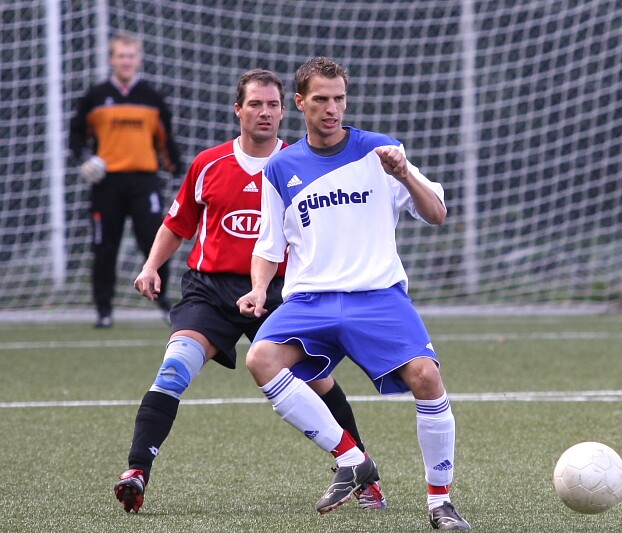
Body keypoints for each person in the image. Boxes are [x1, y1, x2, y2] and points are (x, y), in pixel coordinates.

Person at [113, 69, 387, 513]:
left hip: (280, 292)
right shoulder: (209, 164)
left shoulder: (300, 163)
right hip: (210, 290)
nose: (265, 113)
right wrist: (150, 266)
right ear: (238, 110)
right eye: (255, 104)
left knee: (316, 379)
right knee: (174, 369)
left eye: (272, 105)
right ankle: (137, 471)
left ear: (286, 109)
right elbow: (178, 224)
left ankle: (361, 472)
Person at [237, 57, 471, 531]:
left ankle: (441, 502)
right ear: (300, 102)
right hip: (310, 301)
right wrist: (259, 289)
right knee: (260, 359)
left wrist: (404, 175)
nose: (332, 108)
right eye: (321, 99)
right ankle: (351, 458)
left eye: (339, 98)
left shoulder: (382, 152)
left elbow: (438, 213)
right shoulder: (281, 167)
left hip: (377, 296)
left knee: (427, 377)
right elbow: (269, 245)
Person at [68, 32, 181, 328]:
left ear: (138, 60)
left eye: (131, 56)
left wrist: (176, 171)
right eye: (120, 56)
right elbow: (76, 135)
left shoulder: (152, 98)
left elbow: (166, 140)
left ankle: (162, 300)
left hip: (145, 182)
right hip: (107, 184)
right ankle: (104, 310)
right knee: (104, 246)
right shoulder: (95, 97)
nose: (126, 61)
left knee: (154, 242)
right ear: (112, 60)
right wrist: (85, 158)